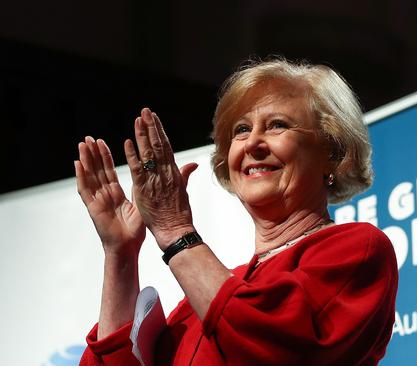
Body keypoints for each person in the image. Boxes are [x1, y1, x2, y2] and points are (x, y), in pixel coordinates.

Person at [76, 58, 398, 365]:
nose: (252, 143)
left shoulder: (357, 251)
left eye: (276, 125)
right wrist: (120, 254)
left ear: (332, 151)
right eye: (241, 130)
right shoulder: (198, 304)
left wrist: (176, 230)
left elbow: (274, 350)